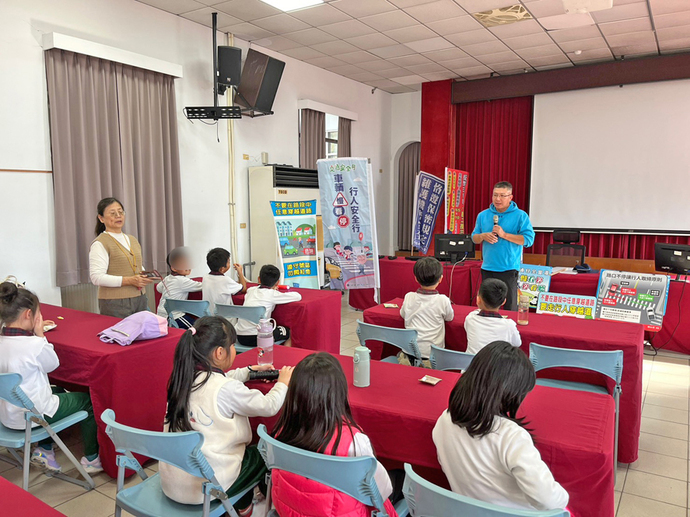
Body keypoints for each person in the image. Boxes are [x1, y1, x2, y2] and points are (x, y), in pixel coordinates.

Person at [159, 316, 293, 516]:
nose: (234, 350)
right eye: (232, 345)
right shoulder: (225, 388)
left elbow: (219, 381)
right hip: (207, 487)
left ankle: (243, 504)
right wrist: (283, 382)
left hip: (173, 483)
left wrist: (249, 371)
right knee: (262, 453)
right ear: (220, 352)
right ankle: (246, 507)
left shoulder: (181, 379)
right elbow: (269, 406)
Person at [432, 341, 569, 512]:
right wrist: (564, 497)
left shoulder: (444, 420)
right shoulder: (511, 436)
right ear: (512, 393)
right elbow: (550, 501)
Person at [271, 353, 399, 517]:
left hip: (289, 511)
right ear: (338, 394)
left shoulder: (282, 431)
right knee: (398, 478)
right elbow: (381, 492)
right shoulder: (354, 441)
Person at [0, 282, 102, 473]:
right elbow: (53, 365)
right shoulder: (34, 345)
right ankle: (92, 459)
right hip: (32, 417)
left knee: (56, 390)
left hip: (7, 416)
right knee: (88, 401)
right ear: (28, 315)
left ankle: (45, 449)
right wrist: (40, 335)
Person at [471, 182, 535, 311]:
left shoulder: (520, 216)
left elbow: (528, 240)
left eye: (502, 195)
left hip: (509, 268)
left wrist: (504, 235)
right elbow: (474, 238)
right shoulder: (483, 215)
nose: (498, 199)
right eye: (495, 195)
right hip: (488, 267)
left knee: (510, 305)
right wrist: (483, 236)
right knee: (487, 304)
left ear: (510, 197)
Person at [90, 197, 153, 318]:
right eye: (113, 213)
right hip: (115, 302)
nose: (118, 216)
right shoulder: (100, 243)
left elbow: (136, 265)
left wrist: (144, 276)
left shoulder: (132, 239)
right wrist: (129, 280)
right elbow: (96, 277)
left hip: (140, 298)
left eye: (120, 212)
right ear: (101, 218)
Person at [399, 257, 454, 367]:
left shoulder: (409, 296)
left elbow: (402, 314)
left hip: (408, 354)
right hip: (432, 357)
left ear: (416, 278)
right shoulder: (443, 300)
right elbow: (450, 317)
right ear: (440, 279)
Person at [235, 265, 301, 347]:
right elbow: (297, 296)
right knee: (290, 332)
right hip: (260, 337)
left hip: (240, 336)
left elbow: (253, 289)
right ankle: (284, 355)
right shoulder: (272, 294)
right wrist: (274, 290)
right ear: (277, 282)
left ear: (259, 279)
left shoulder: (251, 290)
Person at [464, 278, 522, 354]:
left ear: (478, 300)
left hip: (472, 361)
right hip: (497, 361)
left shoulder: (470, 319)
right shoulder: (509, 325)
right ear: (504, 301)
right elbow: (517, 343)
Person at [156, 247, 202, 328]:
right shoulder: (182, 280)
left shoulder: (168, 278)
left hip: (160, 314)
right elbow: (201, 286)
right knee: (197, 328)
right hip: (174, 316)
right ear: (174, 268)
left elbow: (158, 288)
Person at [202, 248, 247, 314]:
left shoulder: (205, 277)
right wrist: (240, 272)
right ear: (222, 269)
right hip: (225, 317)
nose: (230, 263)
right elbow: (244, 289)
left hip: (209, 315)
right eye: (228, 261)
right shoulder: (226, 280)